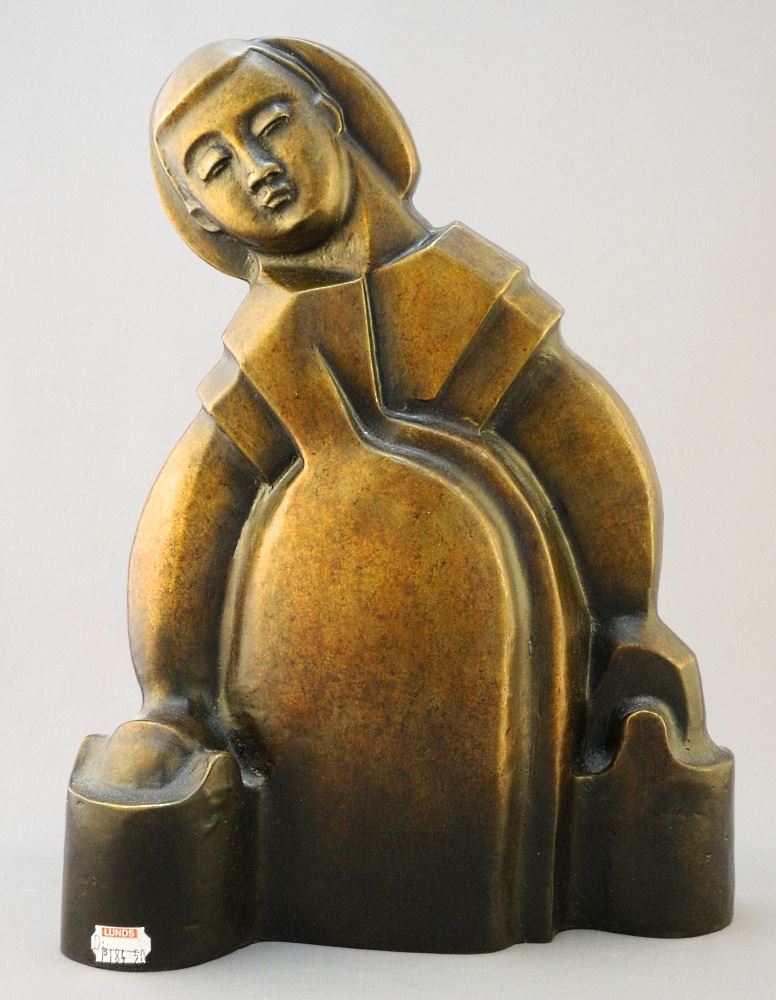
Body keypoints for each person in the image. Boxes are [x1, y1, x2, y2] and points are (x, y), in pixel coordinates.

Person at [63, 38, 732, 967]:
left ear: (332, 117)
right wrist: (174, 701)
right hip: (304, 711)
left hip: (500, 703)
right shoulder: (269, 350)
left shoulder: (459, 292)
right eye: (215, 166)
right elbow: (195, 510)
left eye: (271, 126)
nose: (257, 170)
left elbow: (585, 444)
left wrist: (629, 620)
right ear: (201, 215)